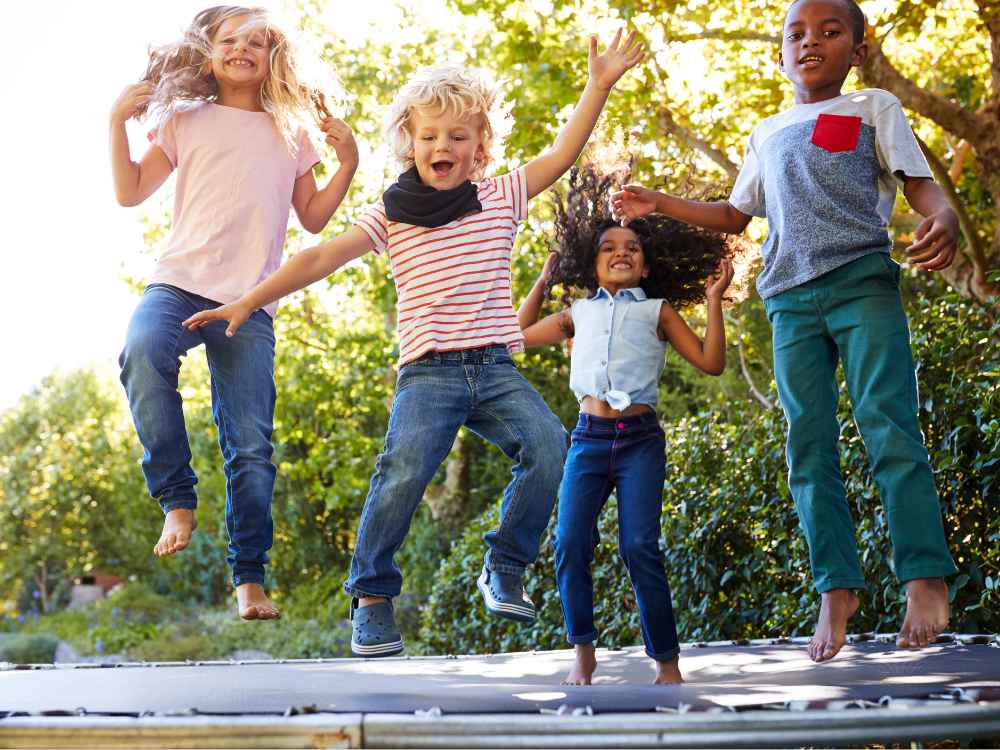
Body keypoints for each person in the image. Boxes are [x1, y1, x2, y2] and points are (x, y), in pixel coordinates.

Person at [182, 31, 645, 656]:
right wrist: (247, 299)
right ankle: (372, 597)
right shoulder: (391, 213)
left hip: (494, 366)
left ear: (480, 146)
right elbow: (320, 254)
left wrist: (598, 85)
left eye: (457, 137)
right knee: (400, 474)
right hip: (429, 373)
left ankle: (504, 566)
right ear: (410, 142)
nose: (441, 147)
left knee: (547, 446)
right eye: (428, 136)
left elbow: (562, 153)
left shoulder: (500, 195)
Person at [612, 0, 959, 662]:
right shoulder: (766, 131)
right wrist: (658, 202)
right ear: (780, 50)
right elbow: (734, 214)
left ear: (857, 50)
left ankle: (923, 576)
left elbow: (922, 187)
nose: (810, 43)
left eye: (830, 33)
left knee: (888, 424)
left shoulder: (873, 108)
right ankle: (836, 589)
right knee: (808, 446)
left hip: (861, 282)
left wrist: (942, 217)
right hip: (789, 302)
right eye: (795, 33)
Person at [111, 5, 359, 620]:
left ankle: (250, 580)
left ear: (274, 57)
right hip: (178, 283)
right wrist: (116, 119)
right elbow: (129, 191)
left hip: (249, 301)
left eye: (256, 42)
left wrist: (348, 161)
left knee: (250, 446)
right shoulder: (185, 119)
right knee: (141, 351)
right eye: (230, 40)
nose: (242, 49)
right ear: (209, 51)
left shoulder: (292, 132)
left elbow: (315, 218)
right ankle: (177, 498)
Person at [518, 167, 734, 684]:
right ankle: (583, 651)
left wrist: (711, 302)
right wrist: (543, 281)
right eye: (609, 246)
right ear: (590, 263)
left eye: (633, 247)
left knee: (640, 547)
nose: (622, 252)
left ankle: (667, 663)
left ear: (646, 264)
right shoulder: (577, 313)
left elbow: (711, 363)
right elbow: (517, 335)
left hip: (639, 443)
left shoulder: (659, 311)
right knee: (570, 542)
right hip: (588, 442)